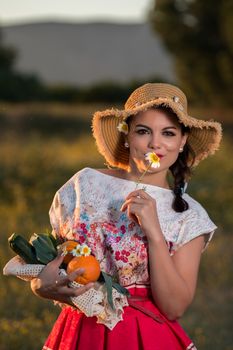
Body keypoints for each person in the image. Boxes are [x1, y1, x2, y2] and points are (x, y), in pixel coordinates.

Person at [32, 83, 222, 349]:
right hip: (78, 333)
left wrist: (154, 232)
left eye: (168, 133)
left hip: (143, 337)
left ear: (182, 141)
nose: (155, 143)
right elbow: (51, 260)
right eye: (143, 131)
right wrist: (40, 286)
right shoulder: (84, 184)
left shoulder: (190, 216)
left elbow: (173, 308)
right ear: (127, 135)